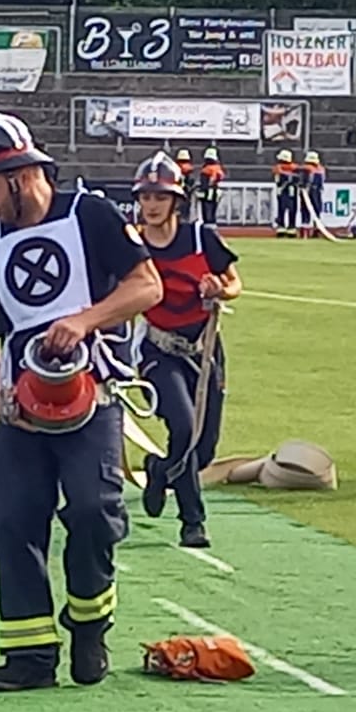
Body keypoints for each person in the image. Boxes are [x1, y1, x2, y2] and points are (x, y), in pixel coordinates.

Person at [0, 111, 163, 692]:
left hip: (91, 394)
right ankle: (29, 655)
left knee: (93, 511)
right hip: (20, 405)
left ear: (22, 177)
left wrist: (84, 320)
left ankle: (90, 624)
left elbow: (147, 286)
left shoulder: (89, 214)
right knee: (11, 519)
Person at [130, 154, 240, 548]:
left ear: (176, 200)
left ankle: (160, 470)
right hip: (159, 349)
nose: (152, 204)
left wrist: (220, 289)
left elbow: (234, 283)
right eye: (146, 197)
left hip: (204, 350)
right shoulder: (132, 244)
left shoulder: (200, 237)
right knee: (183, 427)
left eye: (160, 196)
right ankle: (193, 521)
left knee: (204, 449)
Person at [272, 149, 300, 238]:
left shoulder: (280, 168)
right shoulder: (294, 169)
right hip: (288, 190)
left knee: (284, 209)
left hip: (285, 190)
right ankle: (289, 227)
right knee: (289, 209)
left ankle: (284, 227)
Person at [195, 147, 225, 227]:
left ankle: (208, 227)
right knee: (212, 213)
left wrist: (200, 192)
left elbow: (204, 184)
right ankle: (212, 226)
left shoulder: (206, 170)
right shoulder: (218, 168)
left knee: (207, 213)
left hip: (207, 193)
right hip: (215, 193)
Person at [300, 150, 327, 236]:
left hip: (308, 191)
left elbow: (303, 181)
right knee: (316, 210)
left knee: (305, 210)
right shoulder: (321, 169)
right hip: (317, 191)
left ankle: (305, 231)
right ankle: (317, 229)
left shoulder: (306, 169)